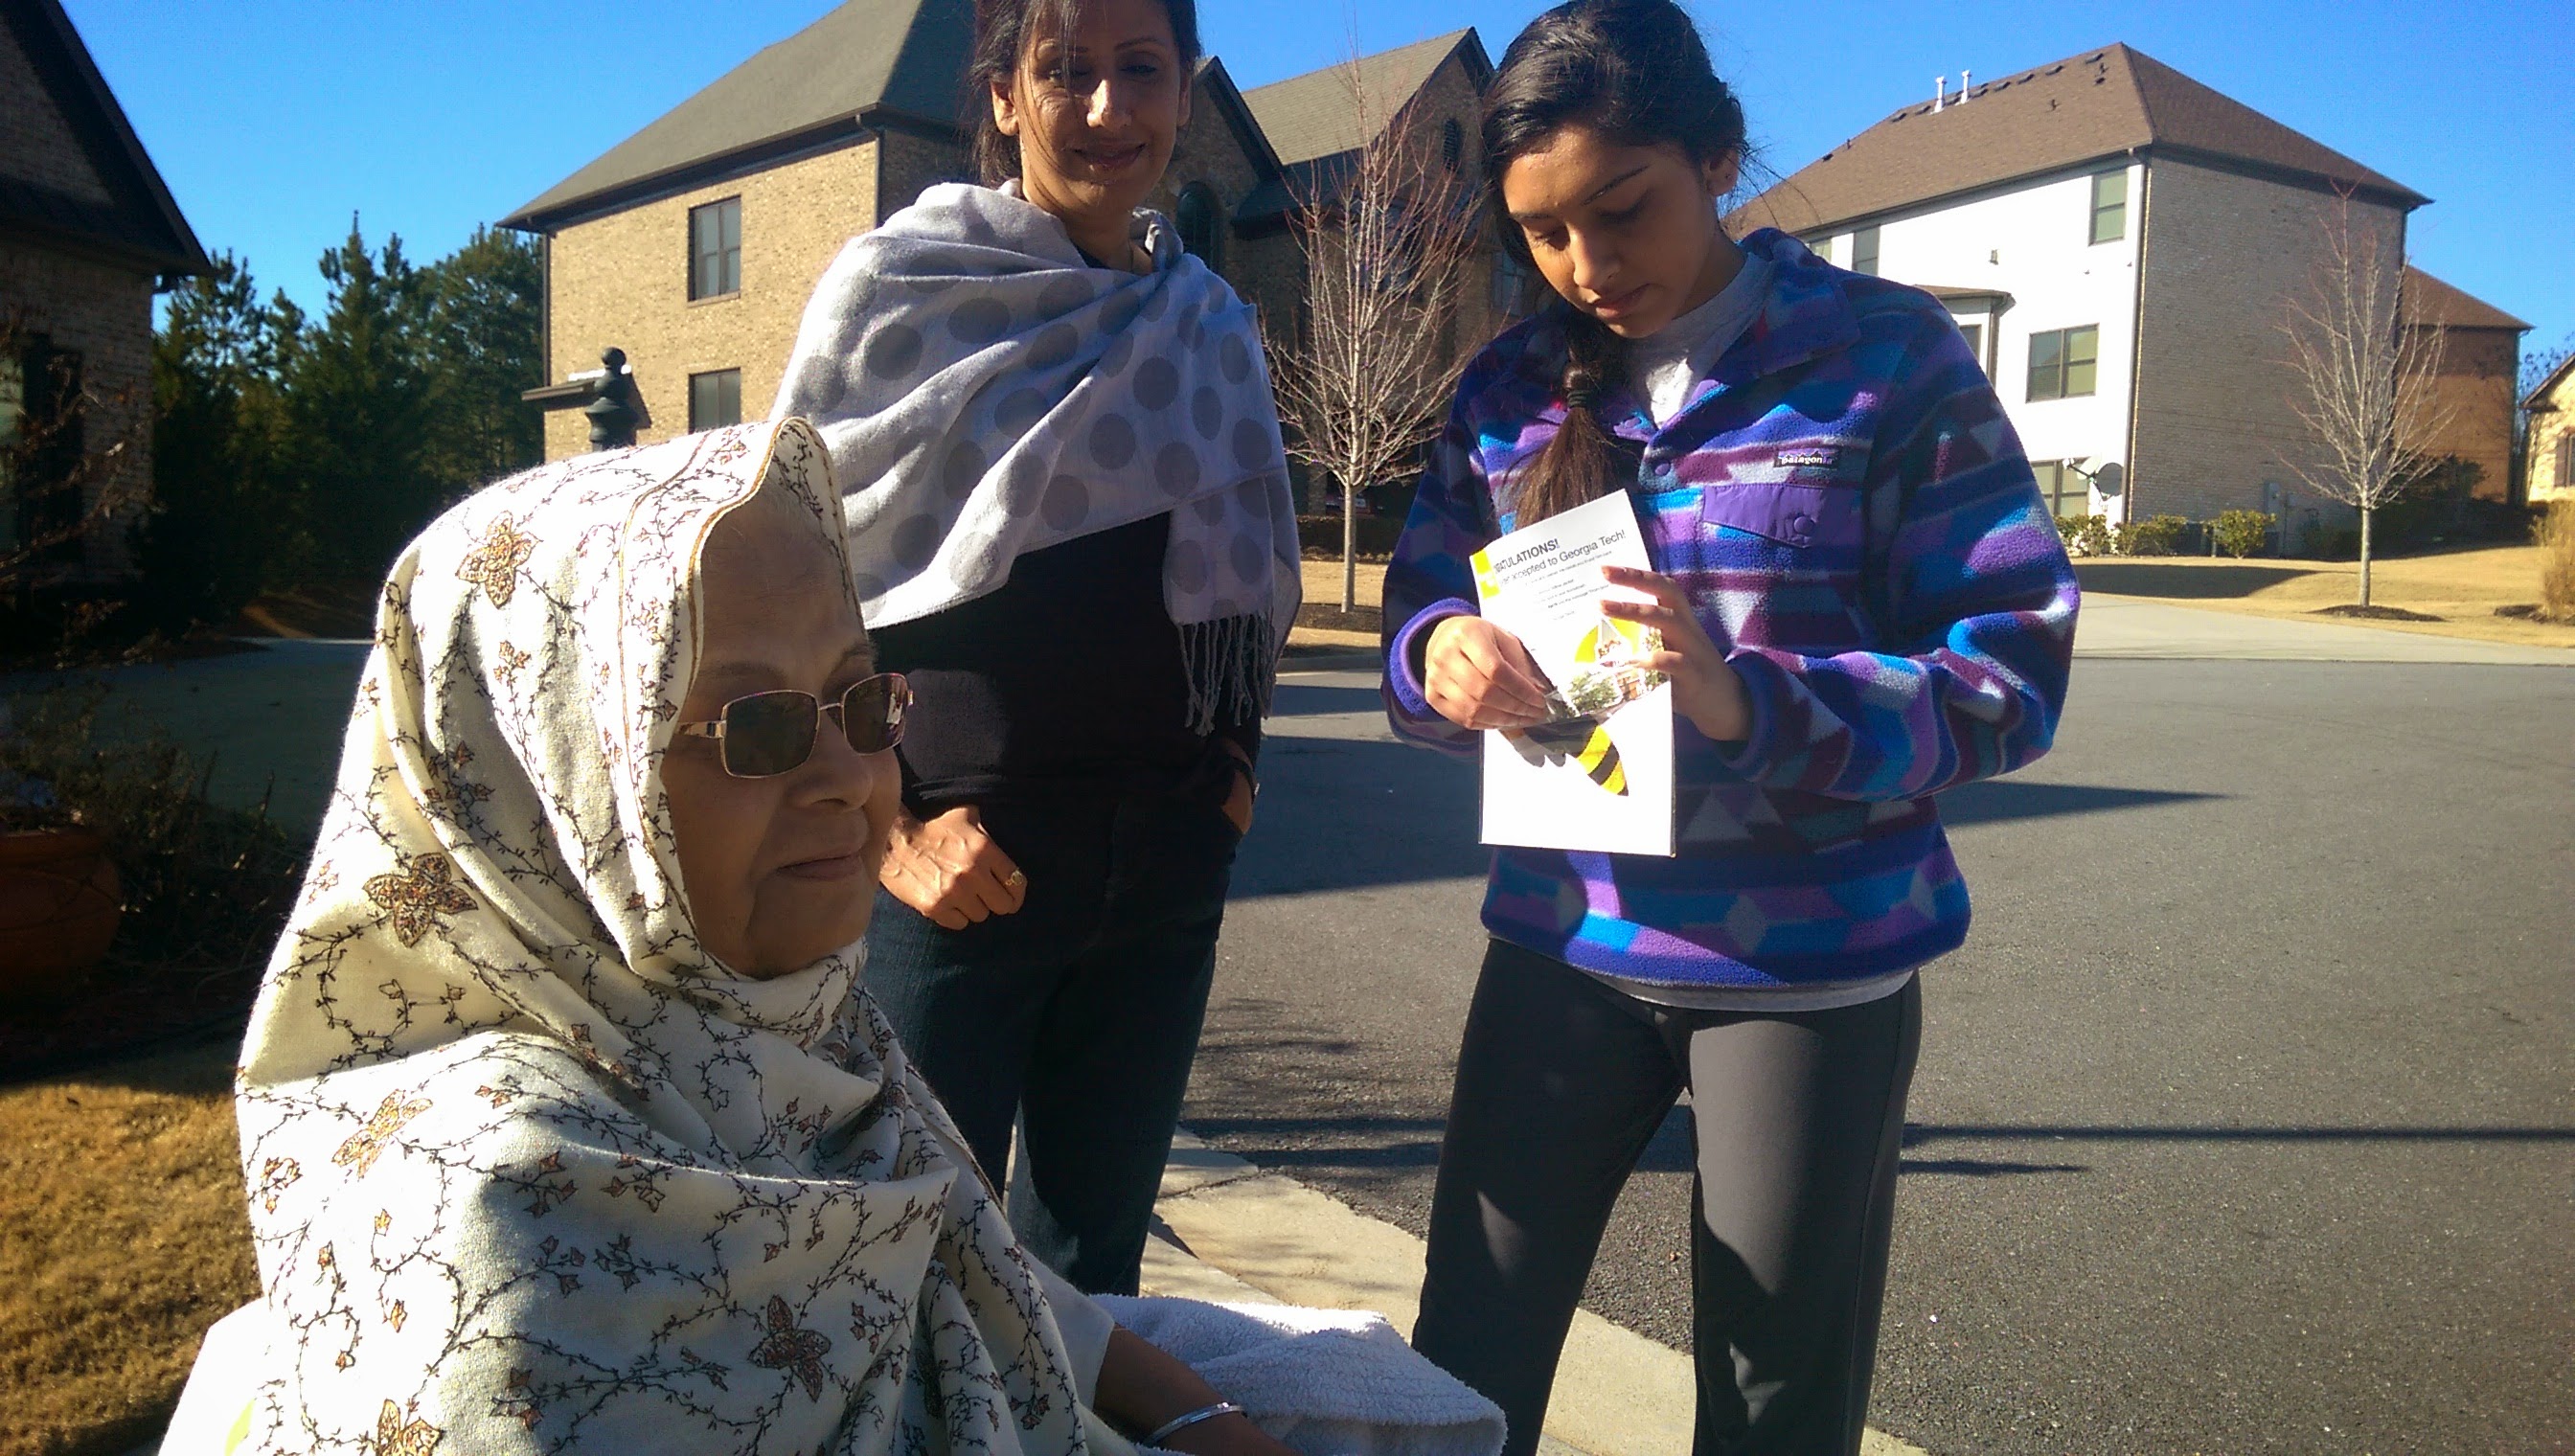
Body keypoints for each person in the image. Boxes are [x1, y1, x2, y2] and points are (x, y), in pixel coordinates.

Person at [172, 420, 1492, 1455]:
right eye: (754, 728)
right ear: (547, 783)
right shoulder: (505, 1235)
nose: (855, 783)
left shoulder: (772, 1016)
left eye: (863, 699)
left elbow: (965, 1260)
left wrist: (1208, 1422)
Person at [1379, 3, 2081, 1452]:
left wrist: (1743, 698)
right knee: (1460, 1364)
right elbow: (1425, 609)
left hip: (1809, 969)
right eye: (1543, 236)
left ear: (1716, 156)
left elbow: (2012, 675)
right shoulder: (1507, 390)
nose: (1587, 265)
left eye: (1621, 210)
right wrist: (1437, 655)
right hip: (1562, 946)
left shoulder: (1886, 359)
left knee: (1773, 1395)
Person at [773, 0, 1298, 1299]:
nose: (1109, 109)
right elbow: (776, 588)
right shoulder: (895, 292)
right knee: (888, 1273)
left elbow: (1245, 597)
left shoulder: (1214, 325)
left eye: (1142, 70)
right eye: (1066, 71)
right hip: (951, 890)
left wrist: (1226, 785)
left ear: (1190, 91)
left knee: (1088, 1286)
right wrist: (891, 837)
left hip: (1162, 889)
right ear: (1004, 93)